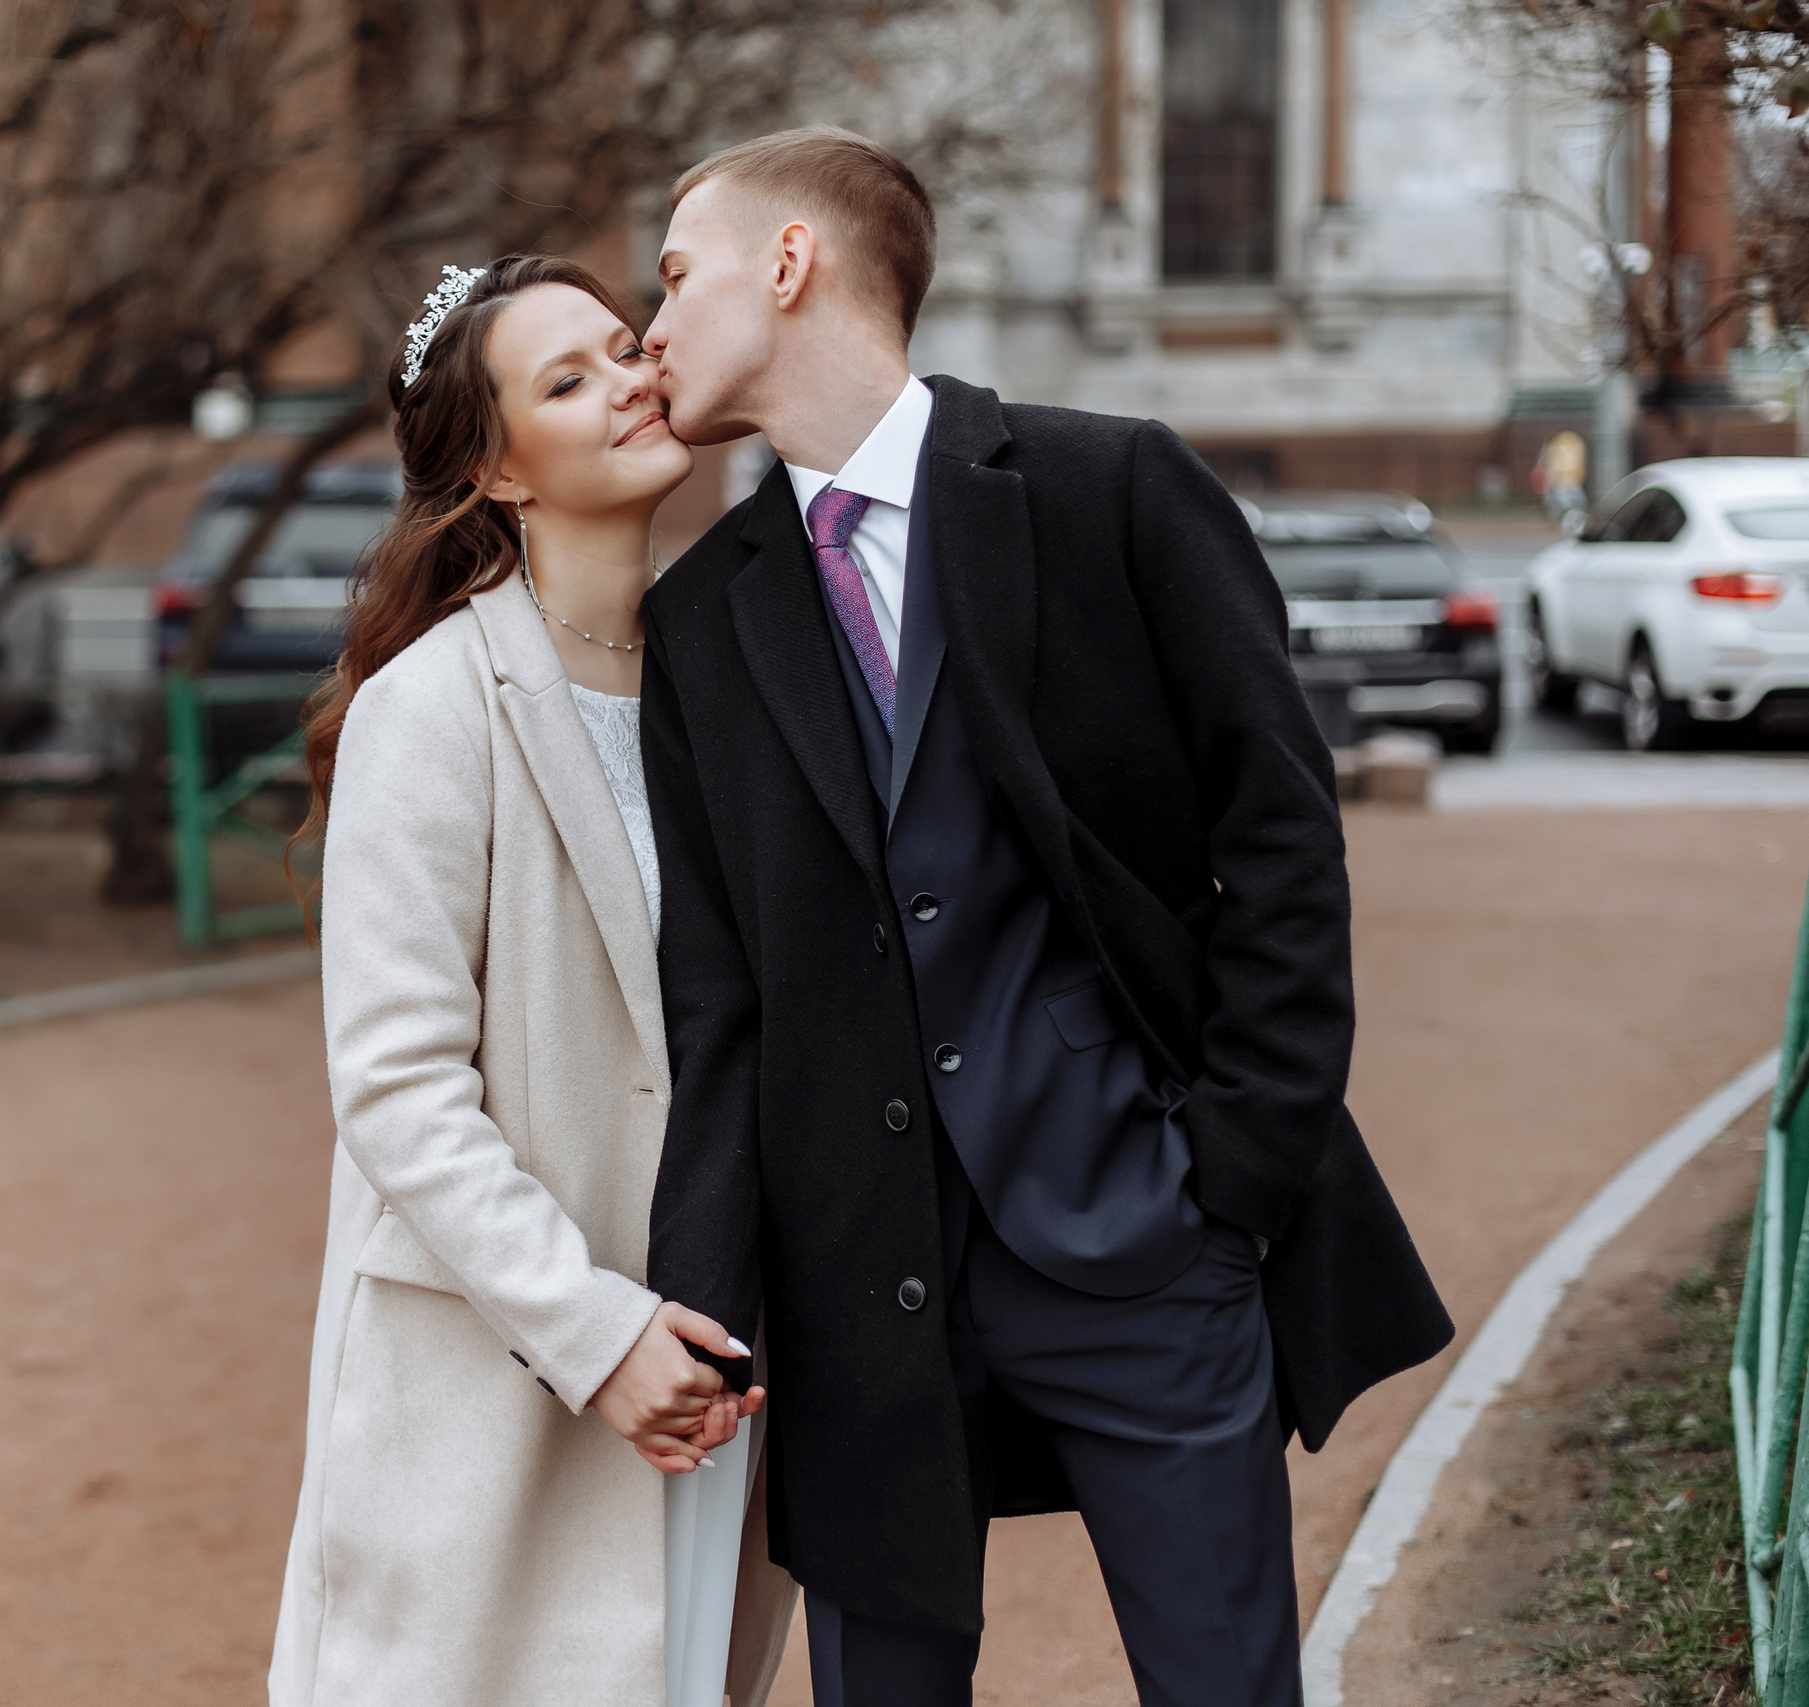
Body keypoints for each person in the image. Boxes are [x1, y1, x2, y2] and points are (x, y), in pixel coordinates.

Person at [635, 128, 1456, 1706]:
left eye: (677, 278)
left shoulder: (1108, 489)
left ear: (791, 264)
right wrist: (715, 1302)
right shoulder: (703, 617)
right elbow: (719, 1001)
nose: (650, 327)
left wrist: (1236, 1183)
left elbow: (1283, 837)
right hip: (856, 1294)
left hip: (1148, 1244)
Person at [267, 255, 795, 1707]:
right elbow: (395, 1088)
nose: (626, 380)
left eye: (627, 348)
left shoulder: (736, 681)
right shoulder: (430, 708)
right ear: (498, 467)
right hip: (505, 1376)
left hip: (712, 1371)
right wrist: (594, 1329)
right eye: (568, 380)